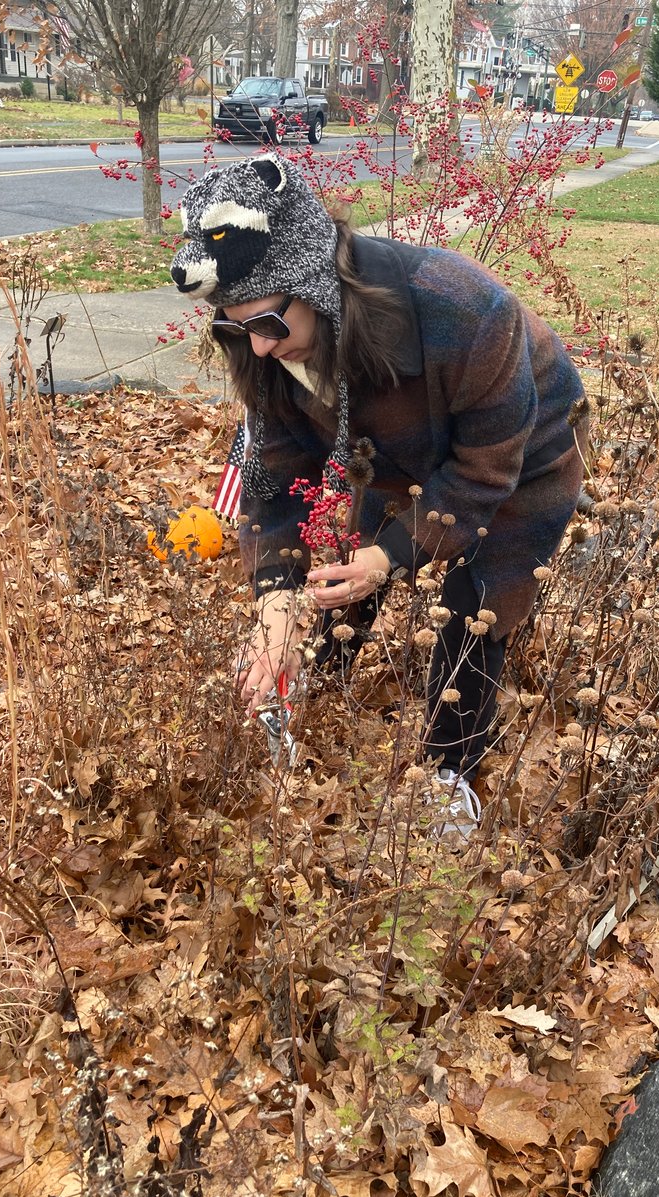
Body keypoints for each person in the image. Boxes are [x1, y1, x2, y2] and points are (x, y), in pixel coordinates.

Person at [171, 154, 588, 834]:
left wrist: (392, 555)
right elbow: (273, 482)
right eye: (234, 325)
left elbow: (484, 475)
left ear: (318, 288)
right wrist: (275, 601)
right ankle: (323, 679)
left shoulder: (467, 309)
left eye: (269, 325)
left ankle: (449, 772)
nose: (258, 346)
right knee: (352, 563)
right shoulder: (262, 341)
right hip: (393, 444)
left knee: (476, 605)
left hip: (526, 453)